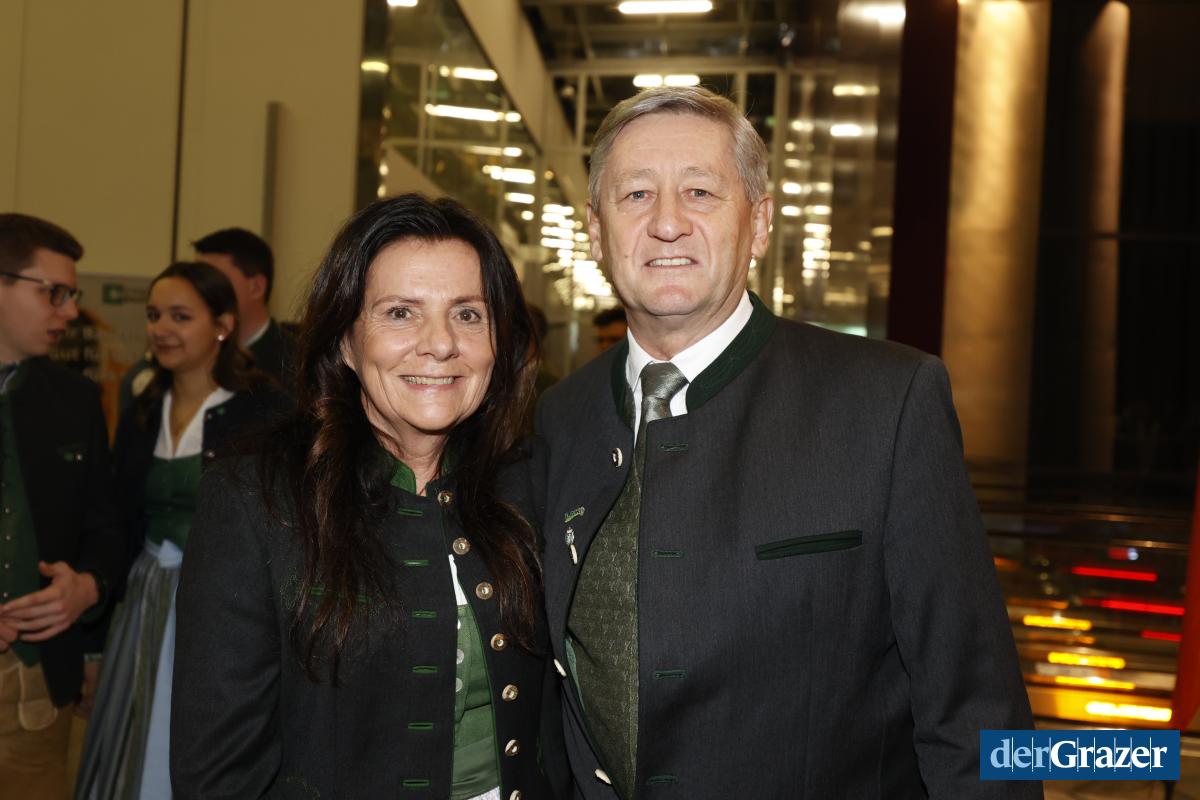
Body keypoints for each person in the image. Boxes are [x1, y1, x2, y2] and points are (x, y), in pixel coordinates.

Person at [533, 86, 1040, 798]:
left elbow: (975, 708)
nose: (667, 223)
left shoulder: (888, 403)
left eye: (701, 192)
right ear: (595, 229)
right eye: (636, 195)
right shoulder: (554, 423)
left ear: (760, 223)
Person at [171, 194, 568, 799]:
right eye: (401, 313)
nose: (440, 344)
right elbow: (216, 772)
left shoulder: (533, 483)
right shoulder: (256, 499)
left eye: (468, 314)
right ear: (345, 342)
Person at [76, 261, 290, 799]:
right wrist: (93, 645)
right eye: (154, 316)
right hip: (146, 601)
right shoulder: (144, 407)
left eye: (180, 316)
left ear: (222, 325)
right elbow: (118, 522)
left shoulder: (264, 410)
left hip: (225, 608)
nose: (161, 329)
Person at [0, 213, 122, 800]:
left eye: (71, 295)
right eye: (54, 293)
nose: (69, 312)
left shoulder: (74, 400)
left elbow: (107, 526)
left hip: (37, 689)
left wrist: (89, 587)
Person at [119, 227, 295, 409]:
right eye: (153, 315)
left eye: (212, 277)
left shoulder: (296, 366)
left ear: (256, 287)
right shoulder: (150, 375)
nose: (195, 288)